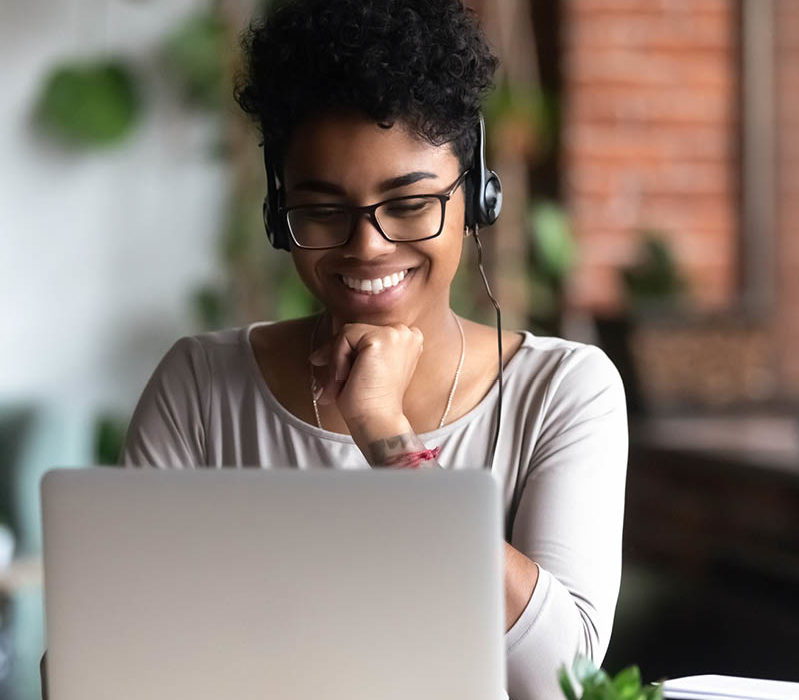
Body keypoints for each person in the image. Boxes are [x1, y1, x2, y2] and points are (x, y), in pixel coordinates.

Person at [118, 1, 628, 699]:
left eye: (410, 204)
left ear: (476, 197)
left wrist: (386, 434)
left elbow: (561, 679)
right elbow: (113, 657)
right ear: (279, 214)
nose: (368, 246)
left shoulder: (564, 391)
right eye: (324, 210)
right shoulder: (200, 388)